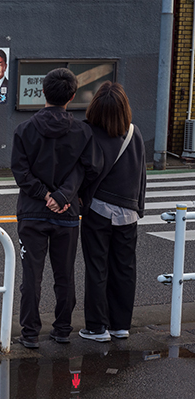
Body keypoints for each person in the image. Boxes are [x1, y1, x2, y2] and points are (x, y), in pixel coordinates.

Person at [11, 67, 101, 349]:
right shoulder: (82, 130)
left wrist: (43, 194)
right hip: (68, 213)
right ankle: (62, 329)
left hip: (32, 212)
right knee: (64, 274)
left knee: (31, 276)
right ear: (72, 96)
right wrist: (62, 196)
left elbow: (20, 172)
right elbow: (88, 168)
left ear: (43, 93)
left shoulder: (24, 129)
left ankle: (29, 333)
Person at [79, 82, 146, 343]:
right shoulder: (134, 132)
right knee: (125, 267)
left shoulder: (88, 132)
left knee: (97, 267)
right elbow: (141, 175)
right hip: (129, 210)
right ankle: (120, 325)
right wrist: (138, 206)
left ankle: (97, 327)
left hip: (98, 208)